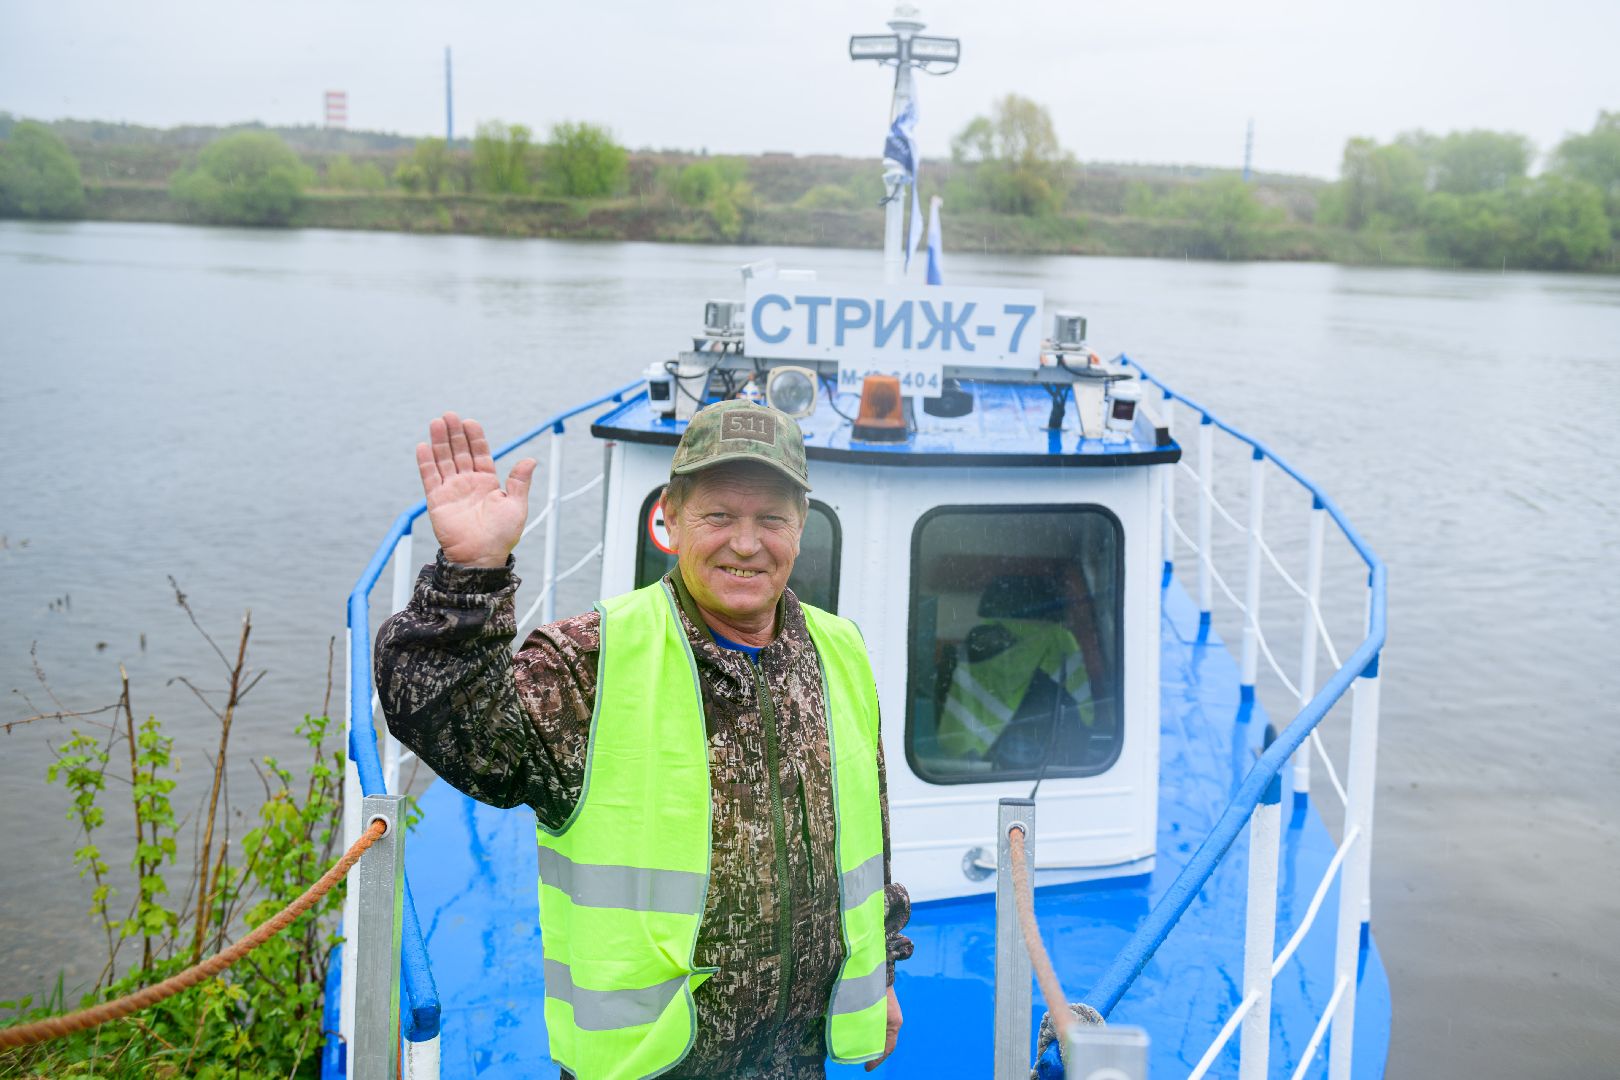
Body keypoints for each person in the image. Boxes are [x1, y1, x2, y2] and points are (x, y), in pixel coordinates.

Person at [375, 401, 910, 1080]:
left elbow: (869, 836)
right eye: (718, 516)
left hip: (793, 1059)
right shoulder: (591, 660)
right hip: (648, 1066)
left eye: (770, 519)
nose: (746, 544)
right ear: (673, 519)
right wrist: (470, 577)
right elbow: (447, 720)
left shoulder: (841, 650)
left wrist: (883, 967)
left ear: (799, 529)